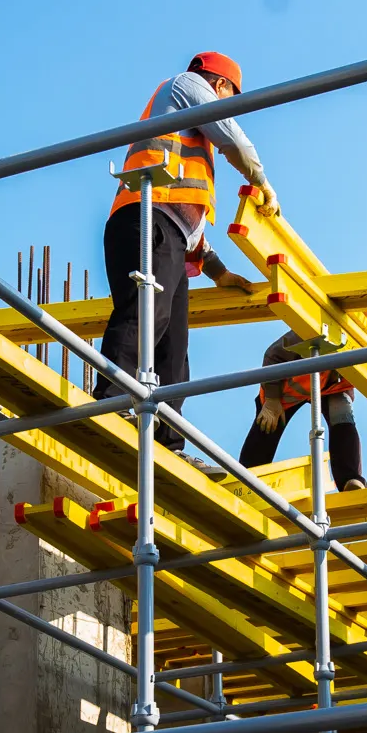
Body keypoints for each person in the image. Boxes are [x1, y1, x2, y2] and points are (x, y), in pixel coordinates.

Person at [97, 51, 273, 448]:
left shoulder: (187, 135)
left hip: (167, 231)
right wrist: (263, 183)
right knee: (145, 312)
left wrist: (219, 272)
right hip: (146, 218)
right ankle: (110, 401)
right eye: (229, 98)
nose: (229, 107)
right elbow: (234, 140)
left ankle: (169, 442)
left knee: (174, 348)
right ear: (220, 85)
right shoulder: (187, 85)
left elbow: (189, 227)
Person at [238, 331, 367, 493]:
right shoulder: (310, 331)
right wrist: (272, 399)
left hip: (332, 386)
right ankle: (247, 479)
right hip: (289, 388)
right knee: (268, 422)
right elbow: (274, 355)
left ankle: (350, 480)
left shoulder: (364, 337)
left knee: (342, 417)